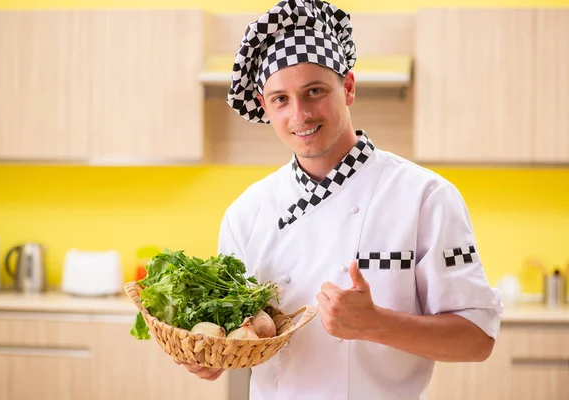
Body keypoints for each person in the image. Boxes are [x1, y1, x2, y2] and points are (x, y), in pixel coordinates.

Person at [176, 0, 504, 398]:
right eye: (280, 99)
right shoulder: (246, 213)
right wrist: (213, 357)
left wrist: (374, 323)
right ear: (265, 106)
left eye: (314, 91)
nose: (299, 114)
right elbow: (239, 336)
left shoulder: (425, 198)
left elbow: (478, 339)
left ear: (347, 88)